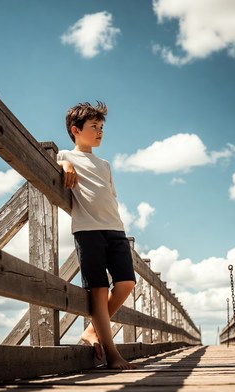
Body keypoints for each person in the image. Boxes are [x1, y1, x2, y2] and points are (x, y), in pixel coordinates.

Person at [57, 101, 137, 370]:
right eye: (94, 126)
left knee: (126, 283)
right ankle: (113, 356)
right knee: (99, 291)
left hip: (115, 229)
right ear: (75, 130)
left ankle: (92, 331)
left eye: (102, 127)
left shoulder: (104, 164)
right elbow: (58, 160)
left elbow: (111, 197)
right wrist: (66, 165)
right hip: (88, 231)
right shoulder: (66, 156)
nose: (100, 131)